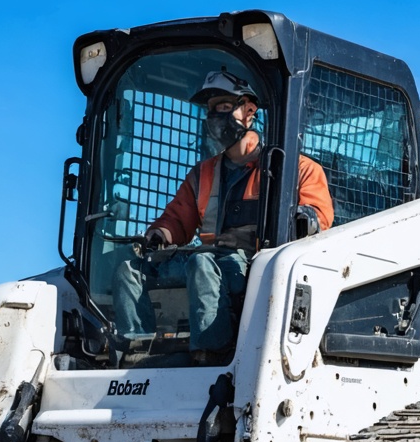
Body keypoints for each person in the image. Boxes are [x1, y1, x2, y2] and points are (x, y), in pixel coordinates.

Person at [112, 69, 334, 363]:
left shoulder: (298, 169)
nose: (216, 116)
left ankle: (210, 353)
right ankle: (135, 353)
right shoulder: (203, 174)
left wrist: (303, 220)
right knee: (130, 269)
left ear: (250, 111)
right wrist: (161, 233)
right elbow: (177, 219)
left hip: (253, 265)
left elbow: (319, 217)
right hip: (209, 257)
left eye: (225, 107)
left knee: (201, 263)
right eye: (211, 110)